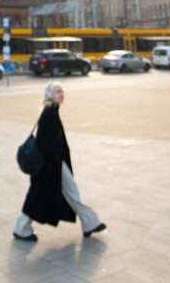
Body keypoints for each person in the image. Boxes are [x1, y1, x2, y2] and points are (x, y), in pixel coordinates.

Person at [13, 83, 106, 242]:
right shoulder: (50, 113)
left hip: (53, 164)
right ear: (50, 95)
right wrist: (53, 164)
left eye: (62, 91)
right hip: (52, 165)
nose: (61, 94)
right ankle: (21, 228)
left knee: (57, 193)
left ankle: (90, 222)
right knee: (42, 196)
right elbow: (47, 143)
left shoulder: (51, 111)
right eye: (57, 92)